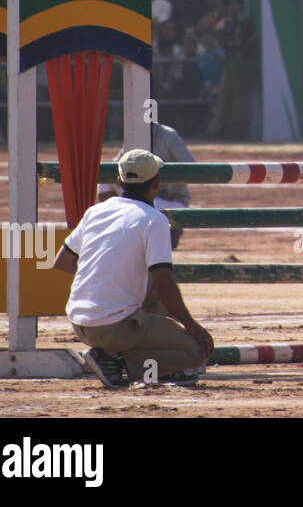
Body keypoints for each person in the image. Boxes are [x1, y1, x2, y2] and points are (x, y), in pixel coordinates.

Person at [52, 149, 214, 387]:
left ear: (119, 181)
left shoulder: (95, 211)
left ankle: (120, 354)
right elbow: (163, 282)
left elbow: (62, 262)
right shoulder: (154, 219)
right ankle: (117, 360)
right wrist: (193, 327)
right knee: (195, 352)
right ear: (156, 184)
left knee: (152, 289)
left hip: (79, 322)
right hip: (112, 327)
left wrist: (108, 275)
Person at [97, 122, 197, 248]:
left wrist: (172, 188)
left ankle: (170, 231)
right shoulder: (133, 136)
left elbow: (189, 165)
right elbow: (118, 164)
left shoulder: (168, 135)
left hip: (168, 199)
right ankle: (112, 227)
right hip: (138, 198)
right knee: (104, 182)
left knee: (150, 214)